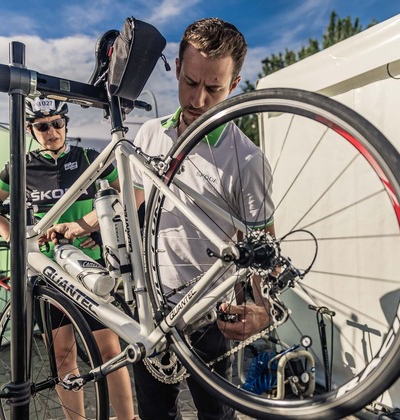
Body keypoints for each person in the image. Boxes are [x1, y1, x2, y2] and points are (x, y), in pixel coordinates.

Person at [45, 17, 274, 420]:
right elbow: (128, 198)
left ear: (235, 85)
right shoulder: (149, 133)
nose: (199, 99)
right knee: (155, 414)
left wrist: (263, 308)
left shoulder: (249, 159)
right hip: (150, 308)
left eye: (214, 88)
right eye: (190, 82)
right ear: (178, 70)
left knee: (216, 416)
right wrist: (80, 226)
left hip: (211, 318)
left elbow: (264, 248)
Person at [0, 96, 136, 420]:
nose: (51, 131)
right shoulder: (20, 166)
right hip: (49, 276)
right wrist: (13, 238)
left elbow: (133, 193)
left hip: (90, 268)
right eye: (42, 126)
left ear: (65, 124)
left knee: (109, 352)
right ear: (30, 129)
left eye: (57, 123)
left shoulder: (87, 158)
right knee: (64, 357)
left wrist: (90, 223)